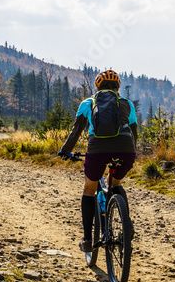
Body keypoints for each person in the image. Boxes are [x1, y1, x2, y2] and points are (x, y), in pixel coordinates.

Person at [58, 69, 138, 253]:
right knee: (115, 182)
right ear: (117, 87)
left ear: (97, 86)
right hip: (125, 150)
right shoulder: (126, 103)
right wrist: (132, 153)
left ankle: (87, 239)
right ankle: (127, 224)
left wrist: (65, 151)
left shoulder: (89, 102)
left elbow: (76, 131)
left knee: (89, 188)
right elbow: (134, 132)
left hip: (97, 150)